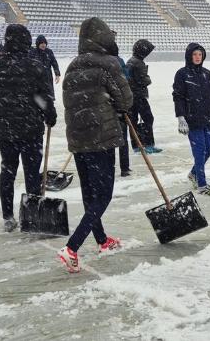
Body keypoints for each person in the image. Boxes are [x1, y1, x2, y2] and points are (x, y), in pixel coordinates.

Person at [57, 17, 132, 273]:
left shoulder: (72, 66)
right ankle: (72, 247)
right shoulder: (108, 64)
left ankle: (102, 240)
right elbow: (126, 100)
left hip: (79, 139)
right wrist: (116, 106)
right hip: (101, 138)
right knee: (103, 196)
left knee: (90, 195)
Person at [0, 24, 57, 232]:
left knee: (8, 172)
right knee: (32, 174)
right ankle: (32, 216)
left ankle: (8, 216)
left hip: (6, 131)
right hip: (31, 129)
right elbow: (43, 98)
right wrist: (50, 115)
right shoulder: (35, 66)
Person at [173, 42, 210, 196]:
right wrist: (181, 117)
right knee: (200, 151)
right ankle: (202, 185)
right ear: (189, 56)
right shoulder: (182, 74)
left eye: (200, 54)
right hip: (192, 120)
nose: (197, 57)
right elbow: (178, 97)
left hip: (206, 118)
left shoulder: (206, 73)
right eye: (195, 54)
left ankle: (194, 173)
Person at [127, 38, 161, 154]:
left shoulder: (131, 61)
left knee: (133, 121)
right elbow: (144, 80)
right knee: (148, 119)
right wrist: (148, 79)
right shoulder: (138, 63)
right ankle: (148, 144)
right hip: (138, 96)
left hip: (131, 97)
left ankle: (136, 145)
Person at [110, 42, 132, 177]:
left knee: (110, 140)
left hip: (107, 105)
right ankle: (124, 168)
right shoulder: (119, 61)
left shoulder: (103, 63)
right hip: (119, 105)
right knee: (123, 138)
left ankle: (110, 168)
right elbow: (126, 80)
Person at [28, 35, 61, 100]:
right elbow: (29, 65)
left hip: (47, 77)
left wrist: (57, 74)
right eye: (41, 43)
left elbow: (54, 63)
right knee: (38, 97)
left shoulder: (49, 52)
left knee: (49, 97)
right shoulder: (33, 52)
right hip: (37, 77)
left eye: (44, 43)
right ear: (38, 44)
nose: (43, 45)